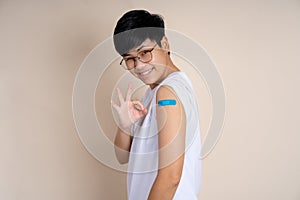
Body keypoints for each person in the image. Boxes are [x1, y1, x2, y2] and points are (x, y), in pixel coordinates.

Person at [111, 10, 201, 200]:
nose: (139, 65)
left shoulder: (167, 93)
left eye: (144, 53)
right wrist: (126, 125)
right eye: (129, 59)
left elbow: (171, 177)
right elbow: (122, 157)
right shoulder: (152, 93)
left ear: (165, 44)